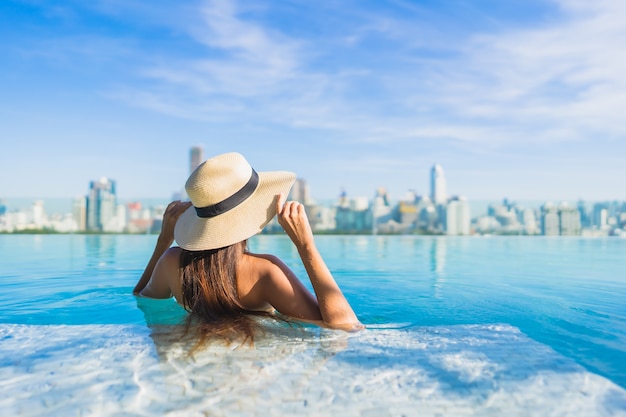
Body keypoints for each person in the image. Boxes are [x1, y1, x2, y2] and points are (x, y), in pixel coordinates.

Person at [133, 152, 362, 344]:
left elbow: (142, 299)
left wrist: (163, 242)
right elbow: (344, 326)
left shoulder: (171, 262)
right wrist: (305, 245)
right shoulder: (264, 271)